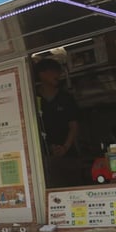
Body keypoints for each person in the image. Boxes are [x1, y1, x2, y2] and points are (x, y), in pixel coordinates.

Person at [35, 58, 82, 187]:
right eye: (54, 71)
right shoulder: (33, 99)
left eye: (59, 72)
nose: (58, 75)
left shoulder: (65, 97)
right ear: (42, 74)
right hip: (44, 158)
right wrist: (48, 148)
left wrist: (65, 147)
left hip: (69, 156)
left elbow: (74, 126)